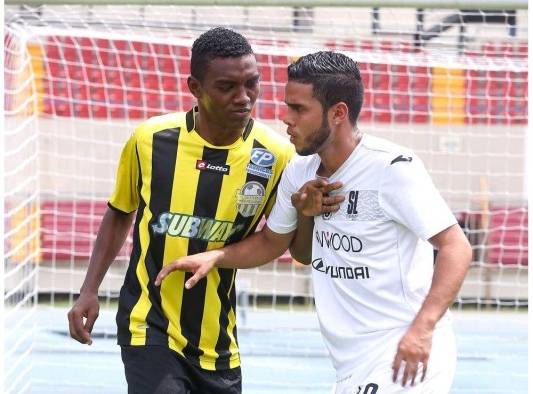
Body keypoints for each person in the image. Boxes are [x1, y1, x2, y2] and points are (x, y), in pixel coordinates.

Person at [155, 51, 473, 393]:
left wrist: (422, 329)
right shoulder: (299, 172)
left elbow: (456, 246)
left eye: (298, 109)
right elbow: (281, 246)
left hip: (404, 350)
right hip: (350, 361)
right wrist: (217, 256)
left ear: (338, 113)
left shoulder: (392, 169)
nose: (285, 118)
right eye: (286, 105)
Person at [67, 27, 295, 394]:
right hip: (148, 323)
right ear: (195, 87)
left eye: (252, 83)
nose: (244, 97)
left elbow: (275, 239)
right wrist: (88, 289)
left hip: (217, 341)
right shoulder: (150, 139)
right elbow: (120, 211)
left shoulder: (276, 155)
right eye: (227, 87)